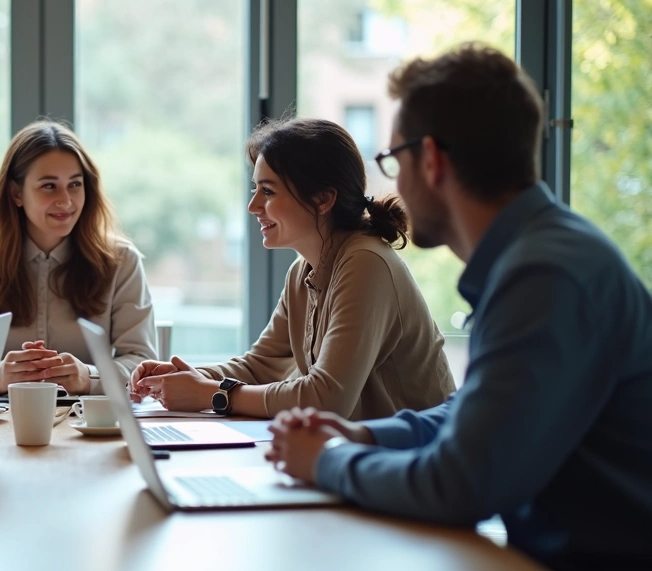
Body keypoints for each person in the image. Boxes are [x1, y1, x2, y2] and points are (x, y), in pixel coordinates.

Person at [266, 44, 652, 571]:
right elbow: (474, 412)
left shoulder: (546, 275)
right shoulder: (538, 255)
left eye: (394, 162)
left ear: (431, 160)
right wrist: (366, 438)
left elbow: (460, 484)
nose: (395, 186)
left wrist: (327, 460)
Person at [131, 118, 455, 419]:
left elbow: (327, 399)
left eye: (268, 191)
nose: (253, 206)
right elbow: (260, 366)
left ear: (323, 199)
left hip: (415, 455)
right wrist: (188, 378)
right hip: (358, 451)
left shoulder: (367, 263)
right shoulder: (303, 272)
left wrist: (210, 393)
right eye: (255, 189)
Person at [0, 121, 157, 396]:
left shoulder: (121, 261)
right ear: (16, 193)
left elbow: (142, 362)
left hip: (90, 418)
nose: (66, 200)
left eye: (75, 184)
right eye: (49, 186)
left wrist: (89, 376)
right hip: (1, 419)